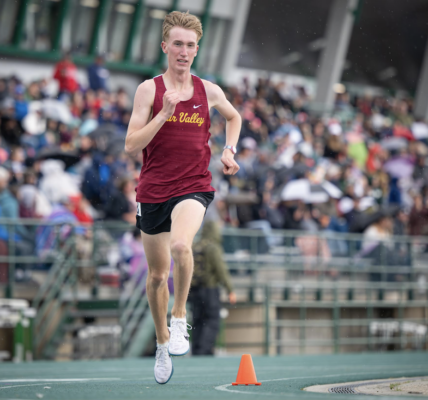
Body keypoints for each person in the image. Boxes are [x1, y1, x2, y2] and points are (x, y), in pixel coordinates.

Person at [125, 11, 241, 384]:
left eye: (190, 45)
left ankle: (179, 318)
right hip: (153, 190)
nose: (184, 51)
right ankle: (162, 342)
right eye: (178, 44)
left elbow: (234, 117)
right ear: (165, 46)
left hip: (193, 185)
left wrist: (230, 150)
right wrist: (163, 114)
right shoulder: (149, 90)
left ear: (196, 50)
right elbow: (131, 145)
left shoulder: (209, 90)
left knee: (181, 245)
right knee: (158, 276)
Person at [190, 220, 236, 355]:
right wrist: (230, 289)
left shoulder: (195, 246)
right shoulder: (213, 248)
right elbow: (221, 270)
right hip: (210, 290)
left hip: (194, 290)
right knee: (212, 320)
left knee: (197, 321)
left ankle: (196, 350)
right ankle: (204, 350)